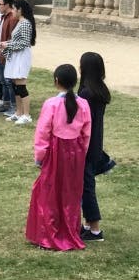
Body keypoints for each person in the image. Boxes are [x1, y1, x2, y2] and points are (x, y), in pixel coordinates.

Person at [26, 65, 92, 251]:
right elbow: (86, 133)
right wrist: (81, 154)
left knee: (49, 193)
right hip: (76, 152)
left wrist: (40, 157)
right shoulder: (83, 104)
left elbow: (43, 132)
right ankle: (69, 232)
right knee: (71, 194)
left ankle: (49, 235)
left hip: (56, 152)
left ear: (56, 81)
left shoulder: (52, 104)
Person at [78, 52, 111, 241]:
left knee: (87, 186)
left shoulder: (86, 94)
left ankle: (95, 229)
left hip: (87, 145)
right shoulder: (100, 90)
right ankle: (88, 224)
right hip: (95, 143)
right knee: (87, 184)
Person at [0, 0, 37, 125]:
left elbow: (25, 43)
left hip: (21, 56)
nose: (13, 11)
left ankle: (26, 114)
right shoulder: (20, 22)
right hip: (16, 55)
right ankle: (19, 112)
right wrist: (7, 44)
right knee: (15, 85)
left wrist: (8, 45)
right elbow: (18, 41)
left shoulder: (25, 23)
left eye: (14, 9)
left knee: (21, 86)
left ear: (20, 10)